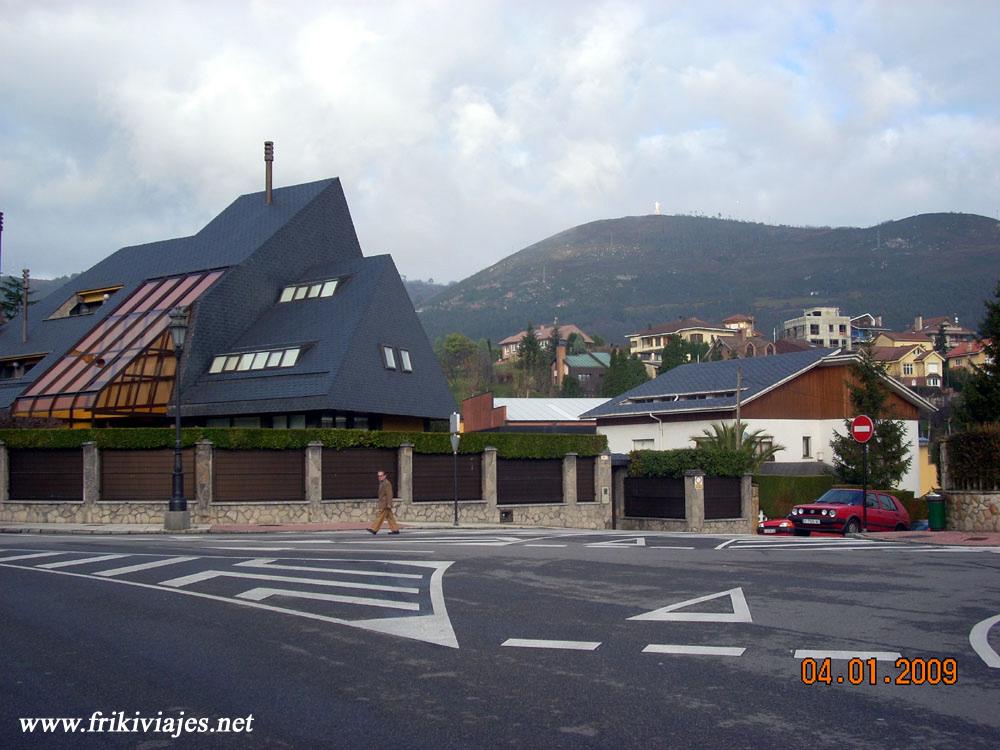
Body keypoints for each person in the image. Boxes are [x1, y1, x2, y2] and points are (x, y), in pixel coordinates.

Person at [367, 469, 400, 535]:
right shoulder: (382, 483)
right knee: (390, 517)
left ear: (385, 476)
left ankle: (374, 529)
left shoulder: (386, 483)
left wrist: (389, 504)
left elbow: (389, 494)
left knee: (380, 516)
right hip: (384, 503)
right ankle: (395, 529)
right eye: (379, 476)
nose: (380, 477)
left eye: (381, 476)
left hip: (385, 504)